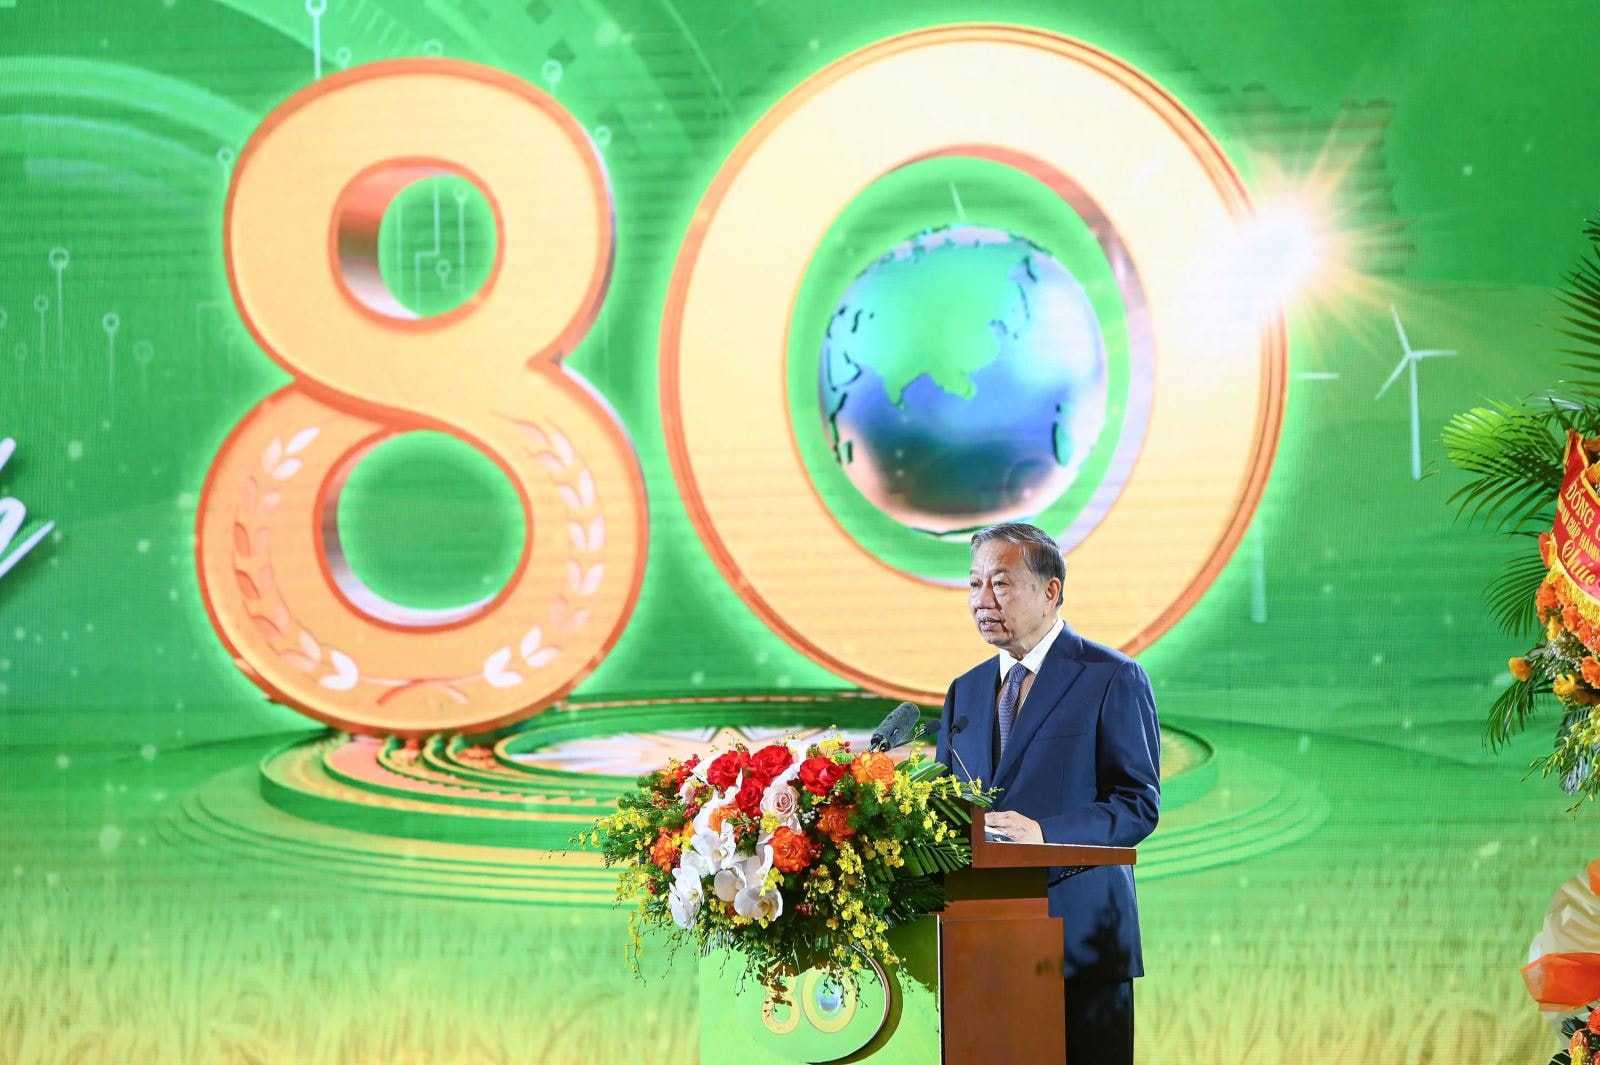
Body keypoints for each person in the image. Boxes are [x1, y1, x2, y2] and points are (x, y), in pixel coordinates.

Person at [935, 521, 1160, 1065]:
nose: (982, 601)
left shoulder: (1111, 676)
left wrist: (1045, 834)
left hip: (1080, 940)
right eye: (974, 584)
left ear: (1050, 590)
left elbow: (1136, 803)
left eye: (1000, 584)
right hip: (978, 946)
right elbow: (946, 808)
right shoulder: (965, 691)